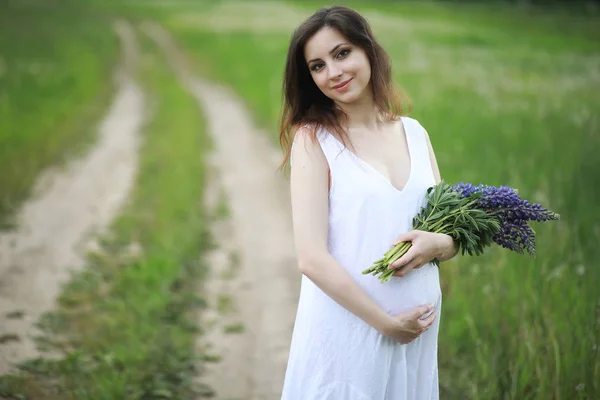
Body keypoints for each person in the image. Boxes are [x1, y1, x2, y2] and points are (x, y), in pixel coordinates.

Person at [278, 5, 459, 400]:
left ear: (369, 51)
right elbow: (311, 257)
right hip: (351, 333)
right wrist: (386, 324)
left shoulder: (414, 133)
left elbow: (448, 232)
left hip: (418, 334)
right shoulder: (314, 140)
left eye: (342, 54)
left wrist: (440, 245)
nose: (334, 73)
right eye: (317, 66)